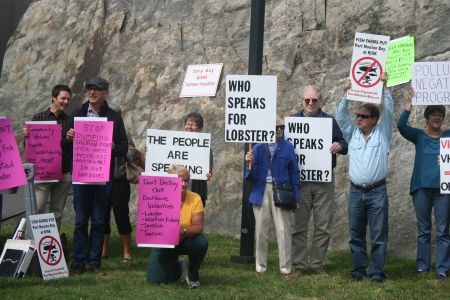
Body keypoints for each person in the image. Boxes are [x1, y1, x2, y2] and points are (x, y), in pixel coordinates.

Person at [65, 77, 128, 275]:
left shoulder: (113, 117)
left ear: (105, 93)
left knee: (100, 221)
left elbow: (124, 147)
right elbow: (63, 144)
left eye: (97, 89)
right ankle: (78, 262)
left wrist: (114, 147)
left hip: (103, 177)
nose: (92, 92)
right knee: (81, 220)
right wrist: (67, 138)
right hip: (82, 177)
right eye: (90, 89)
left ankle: (94, 262)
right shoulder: (76, 114)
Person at [336, 73, 393, 283]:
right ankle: (358, 270)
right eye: (358, 115)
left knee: (378, 236)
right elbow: (341, 116)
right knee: (356, 234)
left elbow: (390, 113)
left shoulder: (383, 133)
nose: (357, 118)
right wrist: (346, 93)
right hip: (356, 191)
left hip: (377, 191)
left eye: (362, 116)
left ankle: (377, 272)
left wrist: (385, 87)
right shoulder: (353, 134)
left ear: (374, 120)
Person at [291, 85, 348, 276]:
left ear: (320, 101)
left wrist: (338, 145)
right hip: (300, 181)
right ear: (302, 101)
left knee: (323, 225)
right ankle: (299, 264)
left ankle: (317, 263)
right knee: (299, 225)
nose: (310, 103)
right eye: (307, 100)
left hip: (324, 180)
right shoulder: (293, 121)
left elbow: (345, 144)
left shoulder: (329, 121)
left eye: (314, 100)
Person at [397, 87, 450, 280]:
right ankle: (422, 267)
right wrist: (409, 104)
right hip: (421, 190)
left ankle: (442, 269)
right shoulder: (419, 136)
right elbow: (401, 126)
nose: (437, 117)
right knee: (424, 230)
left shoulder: (448, 136)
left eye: (440, 115)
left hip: (444, 191)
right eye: (433, 114)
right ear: (427, 118)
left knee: (443, 231)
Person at [245, 116, 301, 279]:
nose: (279, 130)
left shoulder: (288, 147)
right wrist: (248, 163)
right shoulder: (257, 148)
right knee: (261, 231)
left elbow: (294, 174)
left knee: (284, 230)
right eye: (276, 127)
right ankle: (260, 267)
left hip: (282, 192)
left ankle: (286, 269)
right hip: (260, 192)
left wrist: (296, 198)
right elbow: (251, 177)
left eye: (281, 127)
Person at [22, 85, 72, 239]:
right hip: (43, 173)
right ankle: (32, 242)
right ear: (54, 98)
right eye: (63, 98)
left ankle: (51, 244)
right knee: (37, 209)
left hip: (63, 172)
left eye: (68, 99)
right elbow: (30, 147)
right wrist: (26, 137)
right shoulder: (38, 118)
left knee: (57, 212)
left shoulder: (70, 121)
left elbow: (70, 147)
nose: (66, 102)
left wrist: (70, 139)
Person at [147, 165, 208, 288]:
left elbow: (198, 227)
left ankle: (192, 275)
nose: (183, 184)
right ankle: (179, 267)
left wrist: (181, 230)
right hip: (165, 242)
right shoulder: (158, 196)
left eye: (186, 180)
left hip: (186, 240)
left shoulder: (195, 198)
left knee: (201, 243)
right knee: (154, 280)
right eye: (179, 180)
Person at [102, 135, 135, 263]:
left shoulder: (123, 134)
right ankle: (103, 249)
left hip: (119, 179)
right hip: (99, 179)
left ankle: (127, 251)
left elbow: (133, 155)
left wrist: (117, 147)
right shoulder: (94, 129)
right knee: (102, 215)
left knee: (121, 215)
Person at [183, 112, 213, 207]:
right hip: (176, 192)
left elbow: (208, 170)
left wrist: (208, 174)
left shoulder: (206, 148)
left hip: (197, 191)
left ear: (200, 129)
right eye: (188, 124)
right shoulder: (172, 144)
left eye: (193, 125)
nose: (189, 127)